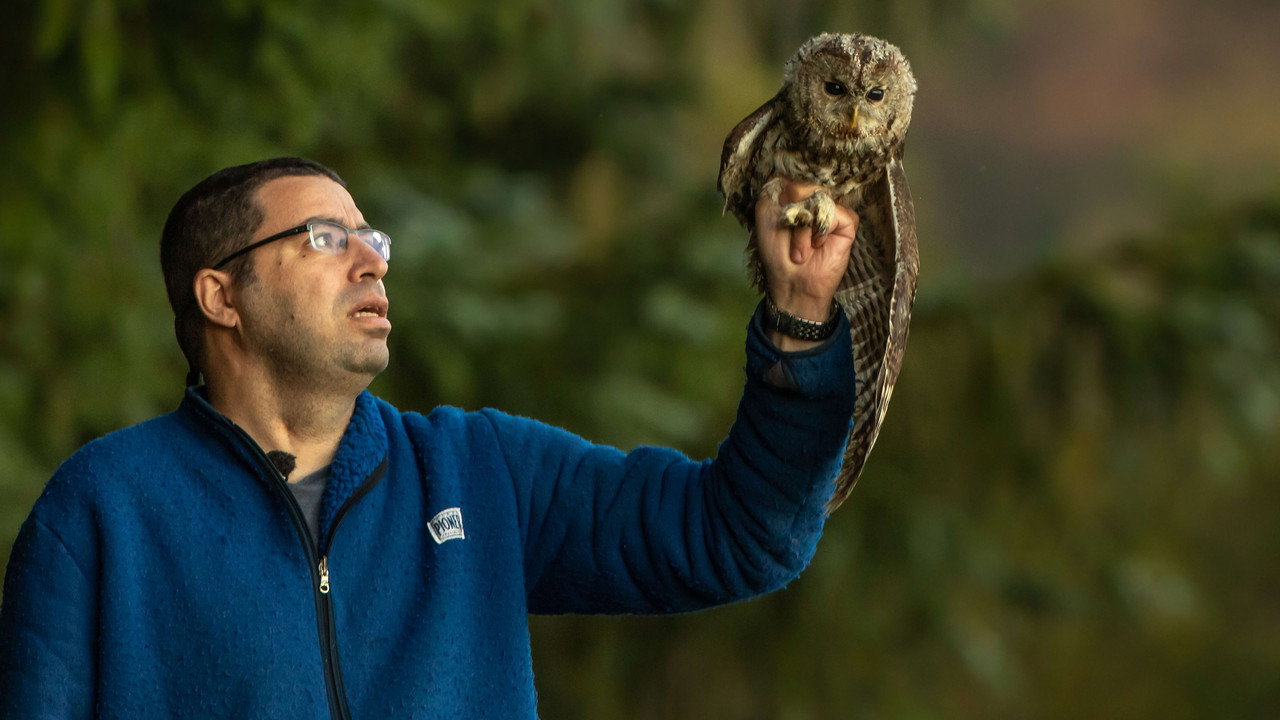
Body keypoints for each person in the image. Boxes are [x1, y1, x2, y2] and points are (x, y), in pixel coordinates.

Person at [0, 157, 859, 718]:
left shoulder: (478, 472)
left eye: (370, 238)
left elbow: (738, 534)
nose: (371, 259)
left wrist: (799, 319)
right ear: (222, 297)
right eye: (324, 239)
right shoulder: (104, 510)